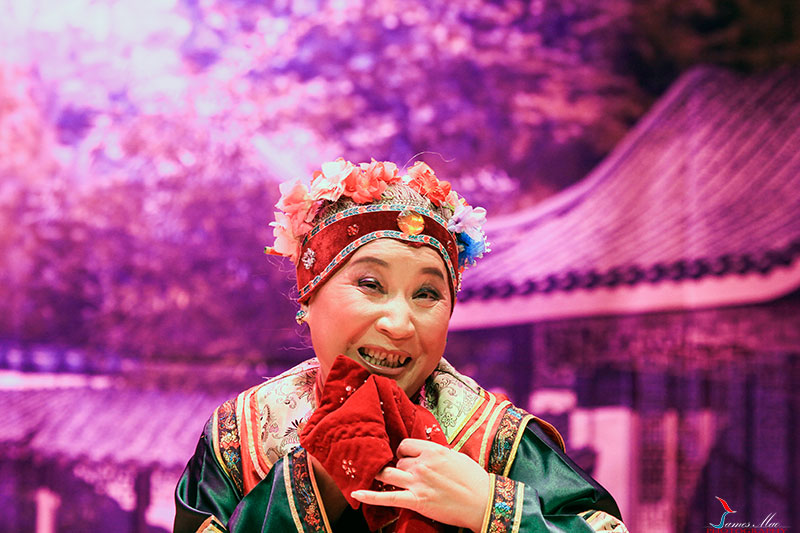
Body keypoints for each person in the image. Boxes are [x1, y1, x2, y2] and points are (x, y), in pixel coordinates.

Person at [174, 158, 628, 532]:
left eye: (427, 294)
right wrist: (315, 481)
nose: (399, 324)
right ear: (308, 297)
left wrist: (489, 508)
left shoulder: (492, 438)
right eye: (370, 284)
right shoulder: (246, 432)